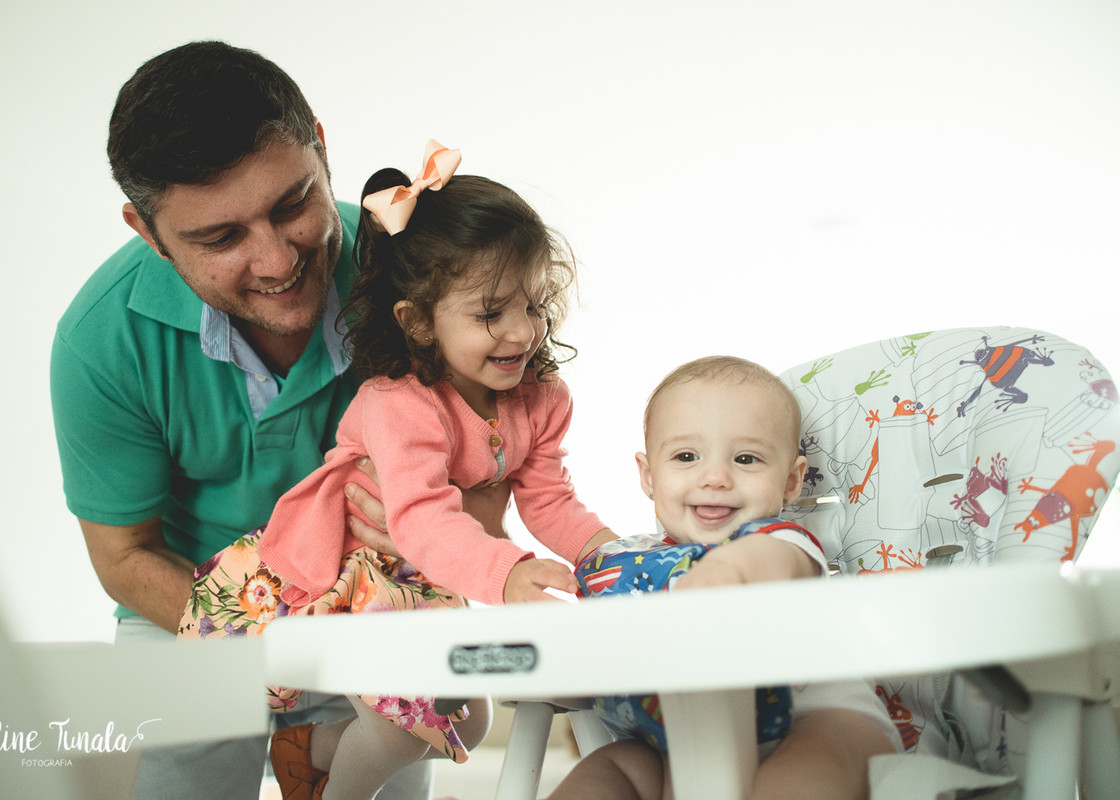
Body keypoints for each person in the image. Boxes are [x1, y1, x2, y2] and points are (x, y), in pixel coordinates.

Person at [50, 42, 500, 800]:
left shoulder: (420, 275)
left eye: (292, 205)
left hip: (377, 602)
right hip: (187, 605)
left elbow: (497, 471)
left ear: (321, 148)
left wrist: (443, 528)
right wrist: (285, 643)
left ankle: (315, 747)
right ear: (147, 231)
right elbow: (124, 556)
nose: (276, 261)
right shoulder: (99, 340)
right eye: (221, 238)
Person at [180, 141, 620, 800]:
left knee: (469, 722)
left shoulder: (541, 397)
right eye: (490, 313)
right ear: (419, 324)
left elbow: (550, 499)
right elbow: (420, 520)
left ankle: (308, 750)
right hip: (343, 570)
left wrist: (610, 556)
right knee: (400, 731)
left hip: (422, 576)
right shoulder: (400, 403)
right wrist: (508, 572)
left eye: (534, 305)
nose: (522, 332)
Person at [550, 356, 902, 800]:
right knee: (611, 766)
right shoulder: (632, 566)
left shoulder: (782, 541)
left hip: (814, 720)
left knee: (806, 766)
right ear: (649, 475)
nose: (715, 477)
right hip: (683, 744)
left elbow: (765, 563)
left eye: (746, 459)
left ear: (791, 481)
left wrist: (723, 572)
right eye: (686, 456)